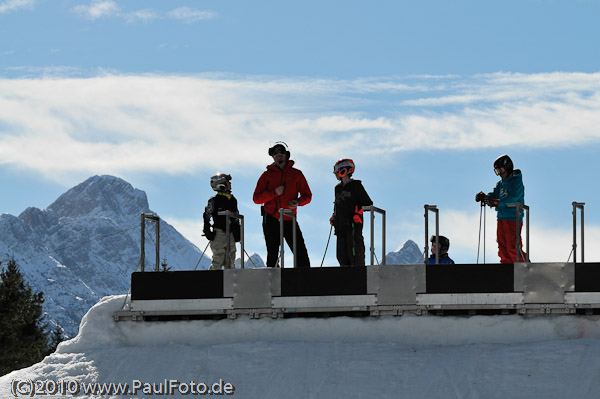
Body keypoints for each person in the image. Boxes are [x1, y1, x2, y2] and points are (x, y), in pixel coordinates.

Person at [253, 142, 312, 268]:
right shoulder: (266, 175)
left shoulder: (296, 174)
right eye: (276, 154)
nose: (279, 156)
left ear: (287, 155)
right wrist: (274, 193)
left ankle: (307, 282)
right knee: (272, 254)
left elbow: (308, 196)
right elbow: (256, 198)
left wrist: (298, 202)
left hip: (289, 217)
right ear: (272, 157)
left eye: (281, 154)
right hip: (271, 217)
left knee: (300, 253)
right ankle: (272, 283)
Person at [475, 154, 527, 263]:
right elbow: (494, 194)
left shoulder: (516, 181)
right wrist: (485, 197)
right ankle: (506, 268)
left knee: (513, 246)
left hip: (513, 218)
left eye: (501, 170)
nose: (500, 174)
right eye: (497, 171)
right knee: (502, 246)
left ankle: (524, 266)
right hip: (502, 217)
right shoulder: (501, 184)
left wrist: (496, 202)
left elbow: (513, 198)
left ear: (508, 168)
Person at [330, 159, 373, 267]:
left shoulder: (356, 185)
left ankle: (358, 274)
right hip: (340, 227)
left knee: (354, 254)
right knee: (341, 255)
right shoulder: (337, 188)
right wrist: (334, 216)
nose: (335, 173)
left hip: (353, 226)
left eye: (336, 170)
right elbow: (338, 204)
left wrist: (358, 213)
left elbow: (367, 202)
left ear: (344, 170)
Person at [203, 173, 241, 270]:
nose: (230, 184)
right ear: (222, 185)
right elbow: (207, 215)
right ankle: (213, 282)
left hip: (231, 234)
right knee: (218, 260)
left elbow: (236, 216)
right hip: (218, 234)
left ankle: (229, 283)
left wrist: (238, 231)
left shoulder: (233, 200)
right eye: (228, 182)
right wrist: (207, 231)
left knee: (231, 261)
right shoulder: (214, 200)